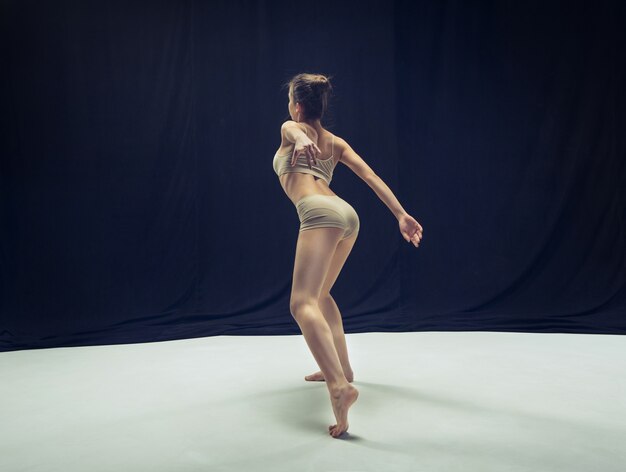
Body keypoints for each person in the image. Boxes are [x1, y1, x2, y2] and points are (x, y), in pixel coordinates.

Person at [272, 73, 423, 438]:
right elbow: (369, 176)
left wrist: (298, 134)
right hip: (347, 216)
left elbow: (294, 133)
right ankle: (343, 369)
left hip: (320, 212)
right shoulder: (335, 142)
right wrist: (400, 214)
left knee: (301, 303)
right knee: (321, 295)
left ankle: (339, 387)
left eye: (291, 104)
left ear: (297, 106)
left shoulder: (290, 128)